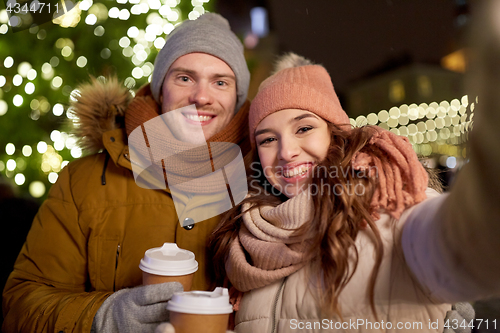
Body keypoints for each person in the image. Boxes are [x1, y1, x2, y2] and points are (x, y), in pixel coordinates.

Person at [208, 1, 500, 329]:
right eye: (267, 139)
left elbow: (470, 248)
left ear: (335, 136)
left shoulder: (388, 211)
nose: (286, 151)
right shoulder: (243, 241)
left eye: (304, 128)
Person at [2, 12, 251, 333]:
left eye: (220, 82)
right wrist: (101, 315)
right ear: (161, 90)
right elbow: (20, 303)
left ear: (237, 97)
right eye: (184, 78)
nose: (201, 97)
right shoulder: (84, 181)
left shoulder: (264, 181)